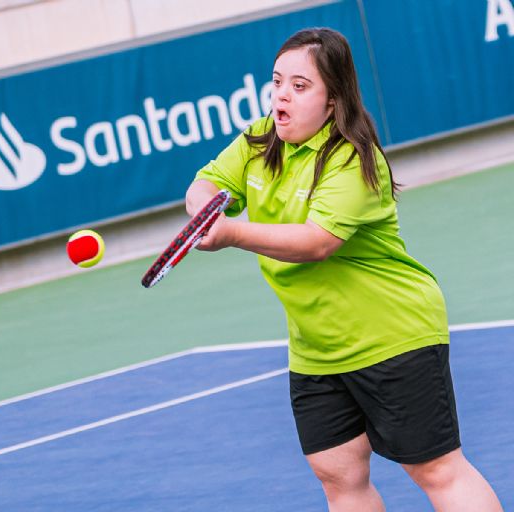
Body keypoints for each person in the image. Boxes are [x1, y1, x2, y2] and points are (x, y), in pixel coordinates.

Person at [185, 27, 502, 511]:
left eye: (300, 86)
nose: (282, 96)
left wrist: (231, 233)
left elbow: (317, 242)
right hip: (317, 349)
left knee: (436, 469)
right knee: (338, 476)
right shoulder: (259, 140)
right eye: (277, 82)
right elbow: (207, 183)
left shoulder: (353, 158)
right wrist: (207, 208)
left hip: (391, 333)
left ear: (333, 100)